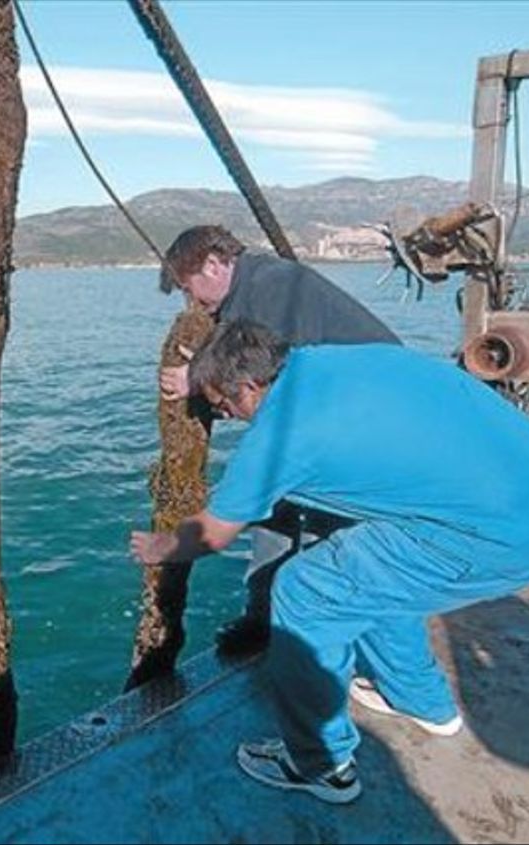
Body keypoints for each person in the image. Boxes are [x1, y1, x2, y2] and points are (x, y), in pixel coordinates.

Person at [130, 320, 529, 804]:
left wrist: (159, 547)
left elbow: (213, 534)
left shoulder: (278, 437)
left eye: (223, 405)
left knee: (307, 591)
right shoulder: (337, 358)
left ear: (247, 387)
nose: (225, 416)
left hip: (507, 539)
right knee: (370, 569)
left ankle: (322, 766)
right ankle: (423, 702)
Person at [157, 225, 399, 656]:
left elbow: (274, 366)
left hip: (361, 412)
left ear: (213, 265)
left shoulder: (272, 285)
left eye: (187, 287)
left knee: (332, 522)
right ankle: (266, 618)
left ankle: (319, 627)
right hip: (333, 409)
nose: (192, 301)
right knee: (275, 505)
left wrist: (196, 378)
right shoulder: (251, 289)